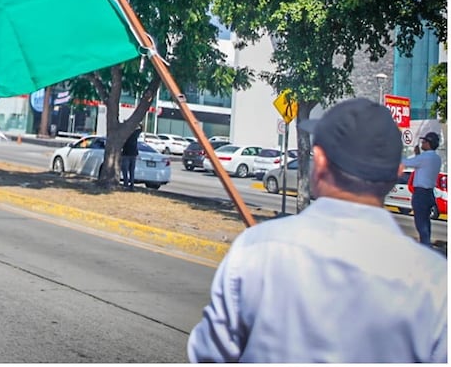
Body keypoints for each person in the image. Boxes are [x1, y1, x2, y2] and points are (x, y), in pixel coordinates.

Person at [187, 98, 447, 362]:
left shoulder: (257, 250)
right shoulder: (435, 281)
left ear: (320, 162)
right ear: (397, 173)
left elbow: (208, 355)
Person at [403, 131, 443, 247]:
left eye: (424, 142)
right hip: (429, 193)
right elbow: (421, 166)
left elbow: (406, 162)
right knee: (426, 223)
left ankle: (425, 248)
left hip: (420, 193)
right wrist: (418, 155)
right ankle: (426, 245)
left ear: (429, 143)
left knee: (420, 223)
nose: (422, 143)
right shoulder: (436, 158)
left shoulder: (424, 157)